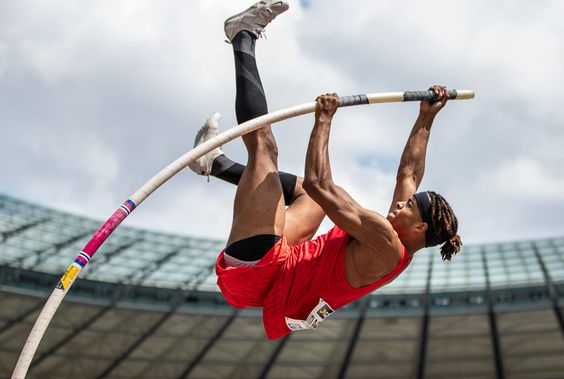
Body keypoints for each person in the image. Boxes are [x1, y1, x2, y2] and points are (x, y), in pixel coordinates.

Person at [189, 0, 462, 339]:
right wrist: (426, 117)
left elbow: (321, 183)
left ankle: (242, 34)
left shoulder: (385, 242)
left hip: (257, 270)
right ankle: (213, 164)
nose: (399, 204)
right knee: (309, 198)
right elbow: (409, 173)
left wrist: (324, 120)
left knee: (265, 147)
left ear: (420, 225)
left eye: (408, 206)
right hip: (279, 270)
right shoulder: (402, 238)